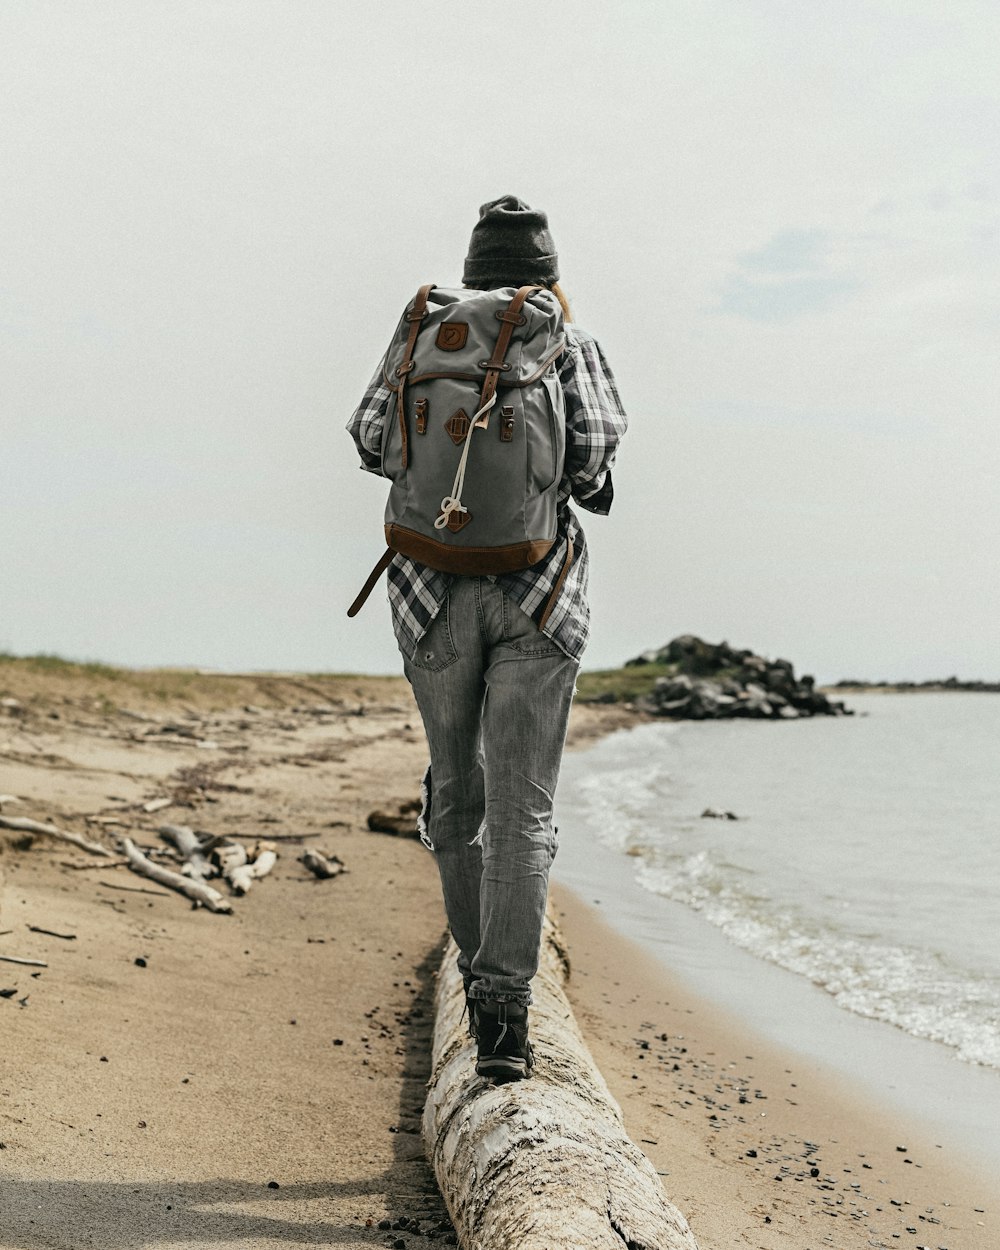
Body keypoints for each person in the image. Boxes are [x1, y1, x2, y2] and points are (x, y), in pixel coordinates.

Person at [347, 195, 627, 1082]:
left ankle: (473, 975)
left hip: (429, 596)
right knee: (524, 809)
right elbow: (592, 456)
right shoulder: (568, 341)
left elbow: (368, 441)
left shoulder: (427, 328)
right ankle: (505, 1012)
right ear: (548, 274)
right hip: (539, 598)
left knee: (456, 795)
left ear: (473, 270)